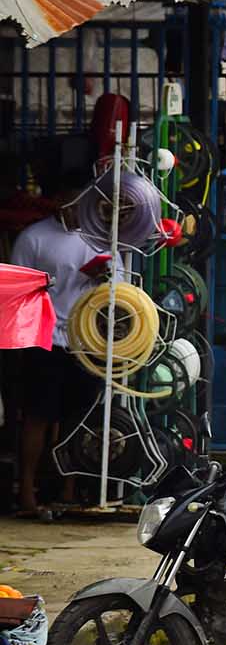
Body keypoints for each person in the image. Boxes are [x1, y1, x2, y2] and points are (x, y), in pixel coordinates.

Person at [5, 170, 109, 519]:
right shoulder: (34, 239)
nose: (78, 207)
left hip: (85, 341)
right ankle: (29, 492)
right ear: (60, 200)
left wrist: (104, 278)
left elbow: (120, 288)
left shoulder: (99, 239)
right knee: (37, 417)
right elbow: (15, 291)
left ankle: (67, 490)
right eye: (72, 199)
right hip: (45, 340)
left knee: (75, 421)